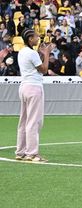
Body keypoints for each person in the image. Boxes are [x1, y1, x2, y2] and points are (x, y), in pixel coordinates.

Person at [15, 31, 51, 163]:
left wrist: (41, 53)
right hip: (34, 87)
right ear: (30, 39)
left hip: (24, 87)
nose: (38, 38)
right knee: (34, 121)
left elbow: (33, 66)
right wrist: (46, 54)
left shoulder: (22, 52)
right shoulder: (32, 53)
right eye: (36, 36)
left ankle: (21, 151)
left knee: (24, 121)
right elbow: (44, 70)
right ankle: (32, 153)